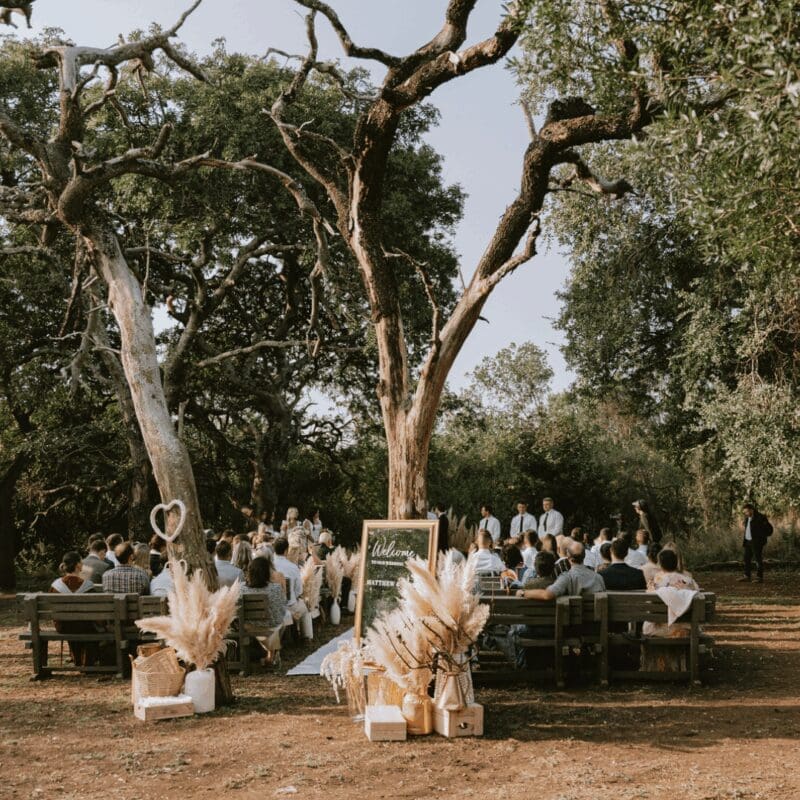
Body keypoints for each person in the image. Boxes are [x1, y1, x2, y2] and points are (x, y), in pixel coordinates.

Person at [50, 552, 96, 666]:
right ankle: (86, 661)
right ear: (78, 566)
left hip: (63, 626)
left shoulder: (55, 586)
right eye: (81, 562)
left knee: (72, 623)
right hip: (84, 626)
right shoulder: (88, 586)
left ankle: (77, 659)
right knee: (84, 624)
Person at [517, 540, 605, 599]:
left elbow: (547, 595)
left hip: (576, 626)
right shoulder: (599, 578)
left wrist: (523, 593)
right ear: (584, 556)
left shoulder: (566, 577)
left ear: (568, 556)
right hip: (595, 625)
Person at [242, 555, 288, 667]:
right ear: (267, 572)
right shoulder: (275, 588)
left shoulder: (240, 589)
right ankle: (271, 655)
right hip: (270, 627)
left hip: (248, 627)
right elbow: (281, 612)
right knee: (283, 622)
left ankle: (269, 655)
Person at [273, 537, 313, 640]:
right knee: (305, 608)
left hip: (272, 606)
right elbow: (298, 591)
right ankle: (306, 637)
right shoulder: (292, 567)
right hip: (289, 606)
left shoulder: (268, 566)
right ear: (286, 551)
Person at [741, 503, 773, 583]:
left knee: (758, 559)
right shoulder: (747, 518)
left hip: (756, 542)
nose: (745, 514)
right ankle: (747, 576)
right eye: (744, 512)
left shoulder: (760, 517)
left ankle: (759, 577)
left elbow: (769, 529)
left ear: (751, 510)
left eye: (746, 512)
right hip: (748, 541)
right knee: (746, 558)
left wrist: (761, 539)